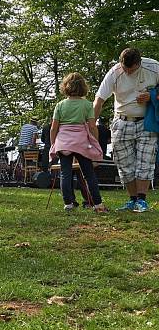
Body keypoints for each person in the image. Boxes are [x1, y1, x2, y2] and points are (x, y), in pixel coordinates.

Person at [94, 48, 159, 212]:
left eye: (132, 69)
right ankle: (132, 199)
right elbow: (99, 100)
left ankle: (142, 200)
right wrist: (90, 124)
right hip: (121, 122)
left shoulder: (153, 67)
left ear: (139, 63)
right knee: (124, 164)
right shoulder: (114, 72)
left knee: (145, 162)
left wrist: (152, 96)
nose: (128, 72)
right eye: (125, 68)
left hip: (147, 122)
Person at [50, 72, 107, 213]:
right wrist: (95, 142)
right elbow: (92, 126)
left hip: (63, 142)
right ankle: (98, 204)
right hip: (81, 142)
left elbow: (53, 128)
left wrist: (53, 144)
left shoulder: (60, 105)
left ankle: (68, 203)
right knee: (88, 174)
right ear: (83, 87)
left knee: (65, 173)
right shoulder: (87, 105)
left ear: (65, 87)